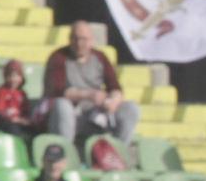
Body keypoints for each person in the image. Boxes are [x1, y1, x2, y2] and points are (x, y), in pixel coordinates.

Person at [41, 20, 139, 149]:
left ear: (91, 40)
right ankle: (66, 152)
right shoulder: (59, 57)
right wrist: (87, 95)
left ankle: (118, 152)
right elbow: (56, 90)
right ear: (70, 39)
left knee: (130, 108)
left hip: (96, 114)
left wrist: (113, 101)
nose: (80, 44)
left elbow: (114, 87)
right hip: (71, 113)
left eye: (84, 39)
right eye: (75, 39)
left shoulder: (100, 57)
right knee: (61, 105)